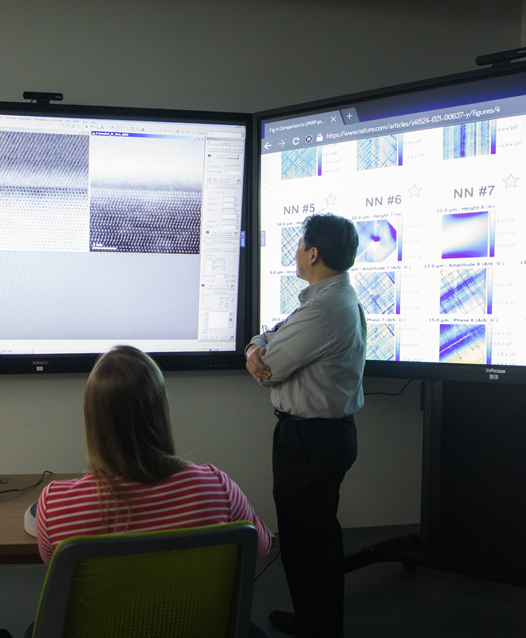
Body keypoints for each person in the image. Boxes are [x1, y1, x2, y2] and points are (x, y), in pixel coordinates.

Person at [35, 345, 272, 563]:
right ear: (160, 408)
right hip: (188, 610)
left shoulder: (55, 508)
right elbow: (261, 547)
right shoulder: (217, 488)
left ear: (89, 412)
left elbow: (53, 566)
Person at [247, 214, 366, 638]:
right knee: (318, 536)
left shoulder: (323, 311)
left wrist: (259, 351)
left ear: (313, 254)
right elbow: (270, 337)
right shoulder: (329, 302)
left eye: (299, 246)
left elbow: (271, 366)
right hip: (322, 438)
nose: (295, 252)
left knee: (305, 543)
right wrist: (259, 344)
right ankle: (319, 619)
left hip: (310, 441)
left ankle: (319, 627)